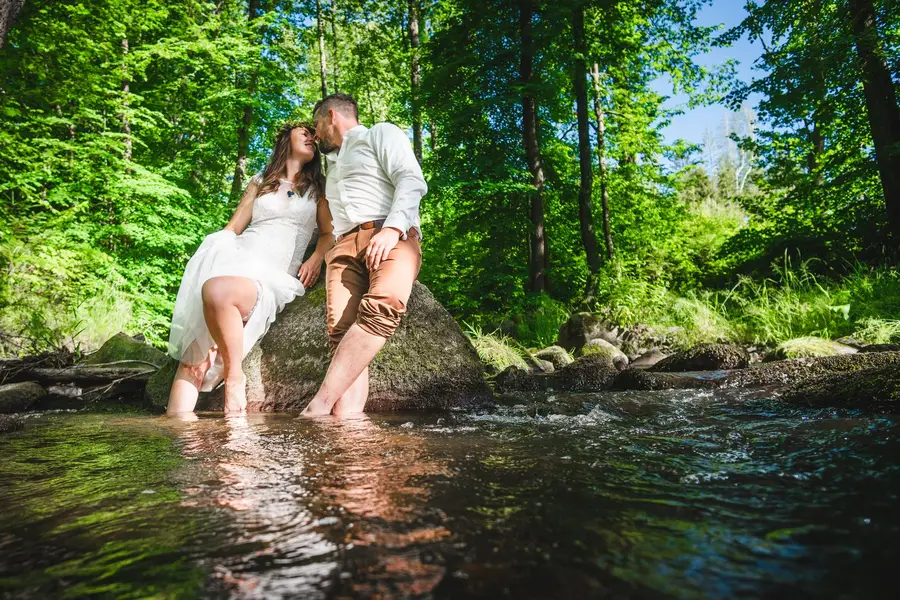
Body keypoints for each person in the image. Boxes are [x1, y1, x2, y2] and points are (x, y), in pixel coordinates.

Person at [166, 122, 335, 415]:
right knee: (195, 357)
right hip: (240, 256)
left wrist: (317, 257)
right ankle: (179, 442)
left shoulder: (318, 187)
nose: (311, 137)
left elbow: (328, 233)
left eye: (313, 135)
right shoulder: (261, 180)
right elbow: (234, 226)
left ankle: (234, 378)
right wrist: (209, 254)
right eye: (303, 133)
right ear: (286, 139)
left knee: (217, 291)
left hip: (272, 274)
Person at [301, 93, 427, 417]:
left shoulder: (380, 134)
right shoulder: (329, 168)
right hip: (343, 248)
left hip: (389, 232)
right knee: (340, 334)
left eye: (316, 126)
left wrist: (393, 228)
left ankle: (319, 405)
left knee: (385, 304)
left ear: (332, 115)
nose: (315, 136)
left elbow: (411, 180)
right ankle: (348, 425)